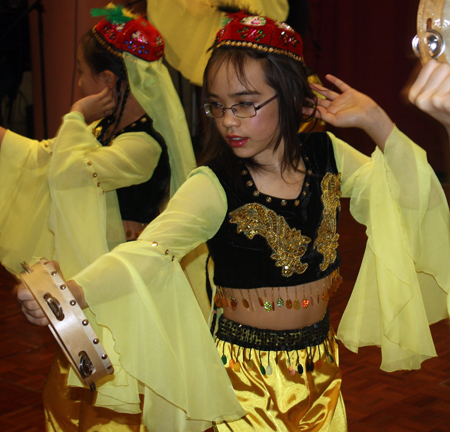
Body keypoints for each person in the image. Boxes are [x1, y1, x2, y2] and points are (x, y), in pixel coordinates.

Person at [18, 8, 450, 432]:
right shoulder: (214, 184)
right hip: (243, 382)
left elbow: (409, 195)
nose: (228, 121)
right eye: (217, 106)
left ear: (293, 98)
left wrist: (375, 120)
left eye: (245, 105)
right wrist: (71, 292)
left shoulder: (329, 156)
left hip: (319, 368)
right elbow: (148, 254)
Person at [2, 5, 197, 431]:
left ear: (107, 82)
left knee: (113, 408)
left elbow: (70, 175)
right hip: (94, 292)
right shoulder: (99, 135)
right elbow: (45, 159)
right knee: (70, 398)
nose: (78, 82)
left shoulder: (143, 144)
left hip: (124, 291)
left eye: (80, 72)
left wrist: (75, 113)